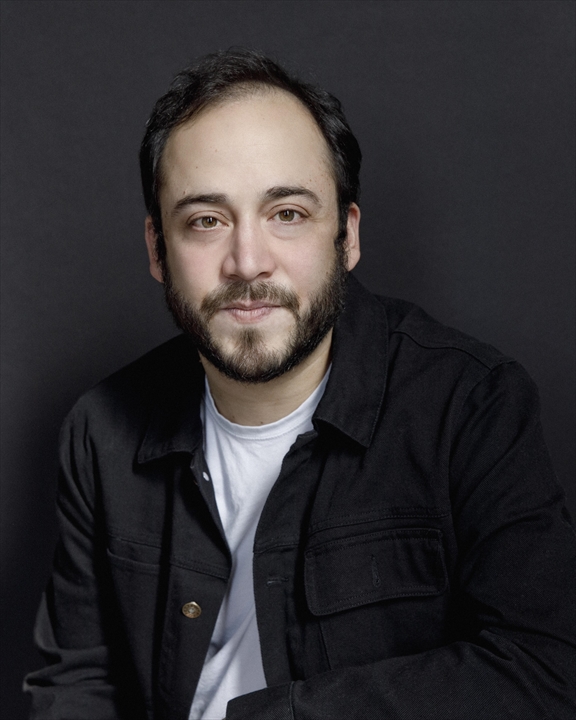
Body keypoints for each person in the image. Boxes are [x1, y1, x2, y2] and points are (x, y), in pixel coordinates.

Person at [25, 48, 575, 720]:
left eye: (286, 213)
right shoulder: (101, 431)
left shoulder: (470, 405)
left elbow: (546, 670)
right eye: (205, 220)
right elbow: (76, 681)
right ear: (156, 249)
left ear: (347, 237)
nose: (247, 262)